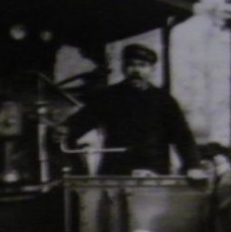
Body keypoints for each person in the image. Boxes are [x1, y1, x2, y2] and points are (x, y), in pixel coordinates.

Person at [60, 44, 204, 177]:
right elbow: (81, 122)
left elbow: (183, 136)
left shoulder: (164, 101)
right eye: (131, 65)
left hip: (154, 174)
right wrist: (64, 130)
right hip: (115, 173)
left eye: (143, 65)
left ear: (152, 69)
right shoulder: (108, 97)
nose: (136, 70)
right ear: (123, 68)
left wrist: (193, 166)